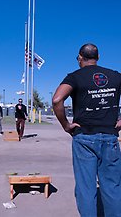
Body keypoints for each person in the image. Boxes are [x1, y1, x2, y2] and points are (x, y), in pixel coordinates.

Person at [52, 43, 121, 217]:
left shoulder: (75, 77)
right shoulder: (115, 76)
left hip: (84, 138)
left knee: (86, 188)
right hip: (110, 138)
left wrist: (66, 125)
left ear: (80, 58)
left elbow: (57, 100)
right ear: (97, 58)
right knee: (112, 187)